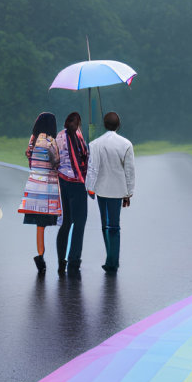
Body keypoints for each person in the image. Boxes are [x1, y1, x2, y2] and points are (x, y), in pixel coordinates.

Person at [85, 111, 135, 273]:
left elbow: (92, 168)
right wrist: (129, 193)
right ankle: (112, 260)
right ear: (118, 125)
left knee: (105, 224)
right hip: (118, 190)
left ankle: (110, 258)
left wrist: (90, 187)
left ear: (105, 125)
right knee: (114, 225)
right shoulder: (126, 144)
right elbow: (129, 170)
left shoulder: (95, 144)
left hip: (101, 189)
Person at [18, 112, 60, 273]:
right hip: (47, 187)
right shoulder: (51, 142)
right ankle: (61, 257)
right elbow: (56, 162)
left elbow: (29, 157)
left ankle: (40, 254)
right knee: (58, 221)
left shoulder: (33, 141)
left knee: (39, 225)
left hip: (34, 185)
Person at [54, 112, 90, 273]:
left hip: (63, 181)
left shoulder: (59, 136)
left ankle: (61, 260)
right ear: (78, 123)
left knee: (66, 222)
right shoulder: (78, 137)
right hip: (77, 183)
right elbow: (84, 159)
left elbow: (56, 159)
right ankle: (74, 259)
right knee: (80, 222)